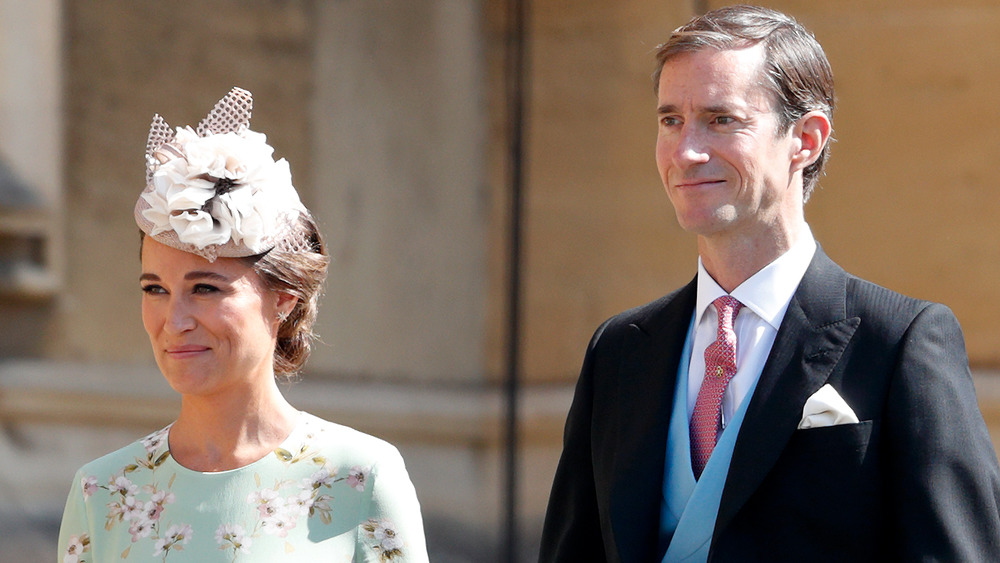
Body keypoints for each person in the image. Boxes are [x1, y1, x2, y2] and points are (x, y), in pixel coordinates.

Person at [539, 6, 1000, 562]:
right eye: (670, 121)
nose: (686, 152)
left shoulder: (901, 342)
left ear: (805, 139)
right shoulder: (618, 350)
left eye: (721, 119)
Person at [58, 87, 429, 562]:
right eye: (155, 289)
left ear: (284, 299)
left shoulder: (361, 477)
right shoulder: (101, 492)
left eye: (206, 288)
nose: (174, 321)